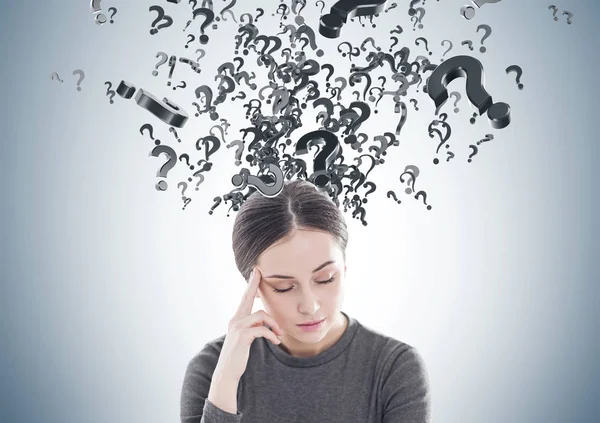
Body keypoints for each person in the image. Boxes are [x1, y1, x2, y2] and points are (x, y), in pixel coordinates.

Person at [180, 179, 431, 422]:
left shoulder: (395, 368)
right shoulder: (212, 368)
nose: (309, 306)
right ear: (252, 285)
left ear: (344, 267)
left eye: (325, 279)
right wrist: (226, 380)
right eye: (284, 287)